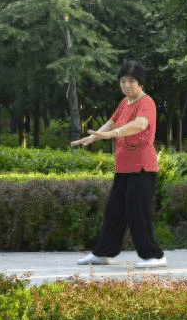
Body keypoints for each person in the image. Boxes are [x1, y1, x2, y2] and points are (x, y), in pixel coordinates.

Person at [71, 59, 167, 269]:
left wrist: (111, 135)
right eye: (122, 81)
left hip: (142, 167)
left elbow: (139, 124)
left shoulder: (146, 102)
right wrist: (95, 137)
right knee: (114, 210)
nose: (125, 85)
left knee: (137, 211)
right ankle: (103, 253)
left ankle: (154, 256)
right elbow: (114, 121)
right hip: (123, 166)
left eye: (131, 81)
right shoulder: (125, 103)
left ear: (141, 83)